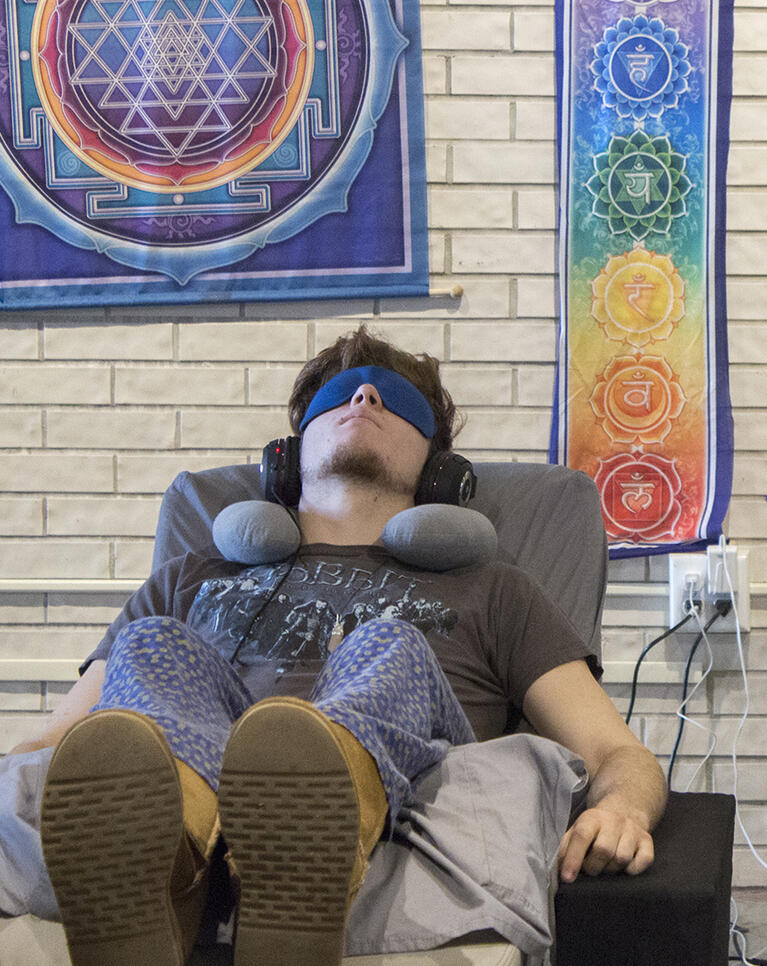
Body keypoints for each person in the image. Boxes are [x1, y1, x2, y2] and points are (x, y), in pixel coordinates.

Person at [3, 326, 667, 966]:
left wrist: (623, 809)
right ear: (286, 457)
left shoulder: (494, 590)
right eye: (342, 393)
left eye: (392, 398)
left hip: (399, 813)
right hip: (197, 784)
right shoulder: (189, 578)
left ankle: (312, 828)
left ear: (441, 471)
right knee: (150, 644)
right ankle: (163, 861)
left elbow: (614, 751)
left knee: (388, 643)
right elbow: (53, 741)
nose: (365, 398)